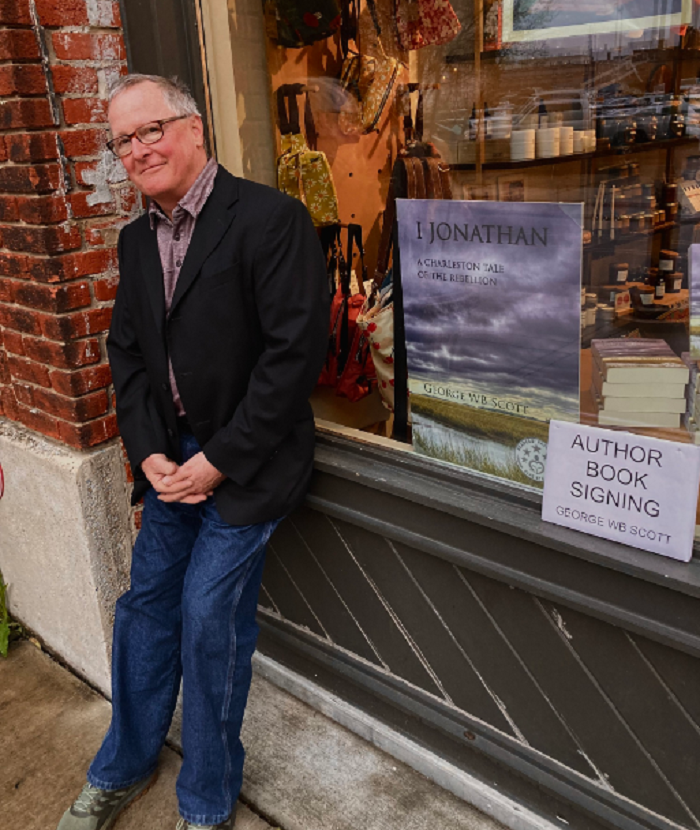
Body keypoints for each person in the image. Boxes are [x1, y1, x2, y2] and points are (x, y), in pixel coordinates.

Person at [57, 74, 329, 830]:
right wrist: (147, 456)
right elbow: (129, 355)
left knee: (208, 619)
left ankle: (205, 804)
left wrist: (218, 461)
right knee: (145, 610)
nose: (139, 150)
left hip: (247, 462)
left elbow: (293, 360)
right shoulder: (135, 239)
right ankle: (123, 765)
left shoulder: (271, 220)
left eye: (153, 130)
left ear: (194, 128)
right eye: (123, 141)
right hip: (170, 462)